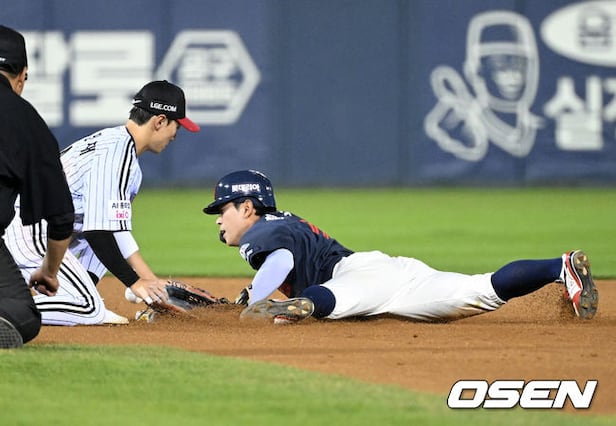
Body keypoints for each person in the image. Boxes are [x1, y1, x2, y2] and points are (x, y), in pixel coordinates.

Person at [203, 169, 599, 324]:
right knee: (481, 289)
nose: (219, 220)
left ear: (247, 207)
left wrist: (256, 297)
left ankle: (302, 306)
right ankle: (560, 266)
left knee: (325, 301)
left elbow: (282, 259)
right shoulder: (284, 221)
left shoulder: (259, 232)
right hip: (395, 276)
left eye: (222, 209)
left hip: (357, 276)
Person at [4, 79, 200, 326]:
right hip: (28, 230)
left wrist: (150, 282)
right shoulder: (116, 154)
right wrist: (136, 282)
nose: (175, 135)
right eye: (177, 126)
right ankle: (16, 309)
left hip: (40, 227)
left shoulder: (117, 144)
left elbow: (116, 231)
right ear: (160, 121)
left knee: (109, 229)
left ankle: (82, 295)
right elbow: (97, 232)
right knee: (89, 308)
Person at [0, 25, 74, 347]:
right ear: (22, 76)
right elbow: (61, 217)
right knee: (21, 315)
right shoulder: (27, 121)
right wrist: (48, 271)